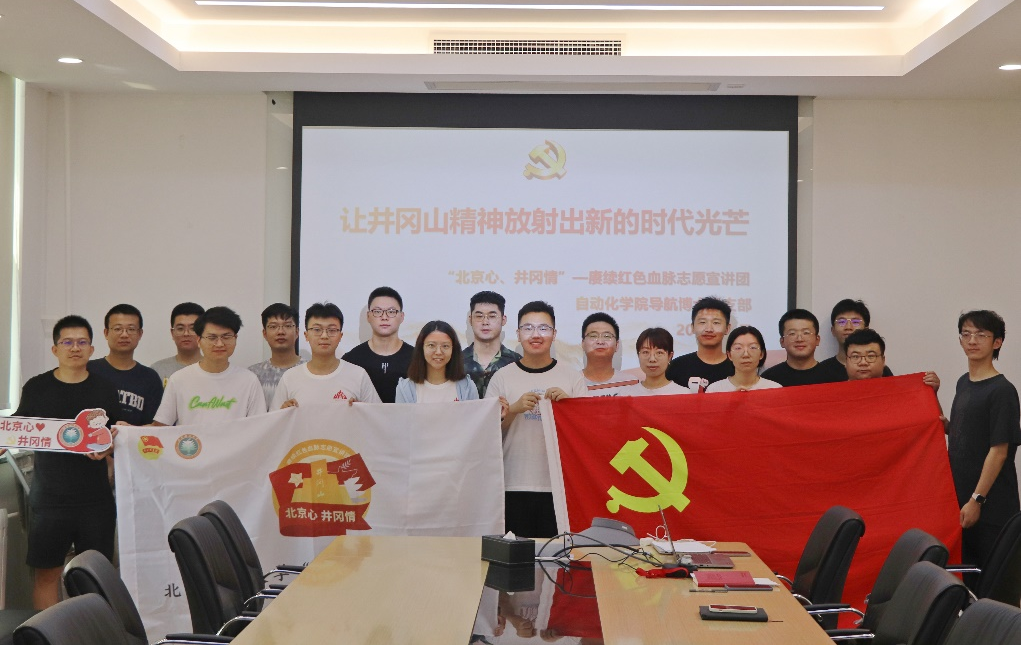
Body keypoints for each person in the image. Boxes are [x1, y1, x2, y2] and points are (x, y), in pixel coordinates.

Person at [14, 315, 120, 609]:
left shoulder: (104, 388)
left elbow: (115, 436)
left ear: (92, 348)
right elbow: (17, 428)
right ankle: (47, 632)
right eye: (68, 342)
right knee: (46, 576)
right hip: (49, 500)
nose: (75, 348)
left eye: (82, 342)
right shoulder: (37, 387)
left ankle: (92, 630)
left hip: (95, 500)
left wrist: (108, 448)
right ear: (55, 349)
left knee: (95, 577)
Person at [485, 301, 587, 538]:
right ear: (518, 333)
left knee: (556, 555)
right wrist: (514, 409)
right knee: (514, 556)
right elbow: (487, 434)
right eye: (528, 328)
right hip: (513, 483)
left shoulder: (572, 377)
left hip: (560, 485)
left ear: (554, 334)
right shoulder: (502, 377)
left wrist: (568, 408)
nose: (536, 335)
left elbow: (585, 434)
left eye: (543, 328)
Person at [945, 310, 1021, 585]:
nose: (972, 340)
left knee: (995, 585)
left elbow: (999, 451)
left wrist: (977, 500)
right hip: (961, 500)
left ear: (997, 342)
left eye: (981, 335)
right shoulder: (963, 382)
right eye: (966, 334)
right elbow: (966, 433)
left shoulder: (1002, 391)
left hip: (991, 505)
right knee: (967, 581)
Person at [151, 306, 265, 425]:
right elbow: (161, 426)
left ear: (235, 339)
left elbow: (258, 427)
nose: (219, 344)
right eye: (212, 337)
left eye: (226, 337)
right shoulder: (178, 379)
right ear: (199, 340)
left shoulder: (249, 380)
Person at [272, 302, 380, 408]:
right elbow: (273, 418)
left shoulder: (358, 375)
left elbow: (377, 416)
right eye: (317, 330)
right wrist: (283, 412)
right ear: (306, 335)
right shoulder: (289, 378)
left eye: (332, 330)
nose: (324, 336)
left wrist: (362, 411)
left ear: (340, 336)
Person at [87, 303, 163, 426]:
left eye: (131, 329)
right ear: (106, 333)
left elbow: (155, 425)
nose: (124, 335)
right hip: (92, 437)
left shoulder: (150, 378)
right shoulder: (88, 370)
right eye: (117, 329)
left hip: (134, 439)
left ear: (140, 334)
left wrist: (132, 431)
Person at [342, 286, 414, 403]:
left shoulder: (417, 359)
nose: (384, 317)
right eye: (377, 312)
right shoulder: (351, 360)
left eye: (391, 312)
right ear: (368, 316)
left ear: (402, 316)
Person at [395, 320, 479, 403]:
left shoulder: (467, 387)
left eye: (445, 346)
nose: (438, 352)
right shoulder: (406, 389)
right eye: (431, 345)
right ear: (421, 348)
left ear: (453, 349)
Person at [665, 296, 734, 392]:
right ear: (692, 327)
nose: (709, 329)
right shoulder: (676, 367)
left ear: (727, 328)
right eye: (702, 322)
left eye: (716, 323)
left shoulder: (737, 367)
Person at [760, 309, 843, 387]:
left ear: (817, 340)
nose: (799, 339)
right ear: (782, 341)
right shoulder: (768, 380)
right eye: (792, 333)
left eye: (806, 333)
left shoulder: (835, 379)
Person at [463, 291, 521, 398]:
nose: (485, 322)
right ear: (470, 320)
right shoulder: (456, 362)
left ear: (503, 320)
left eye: (492, 316)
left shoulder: (517, 363)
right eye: (479, 316)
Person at [842, 329, 941, 392]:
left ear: (883, 360)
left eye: (871, 356)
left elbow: (929, 417)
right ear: (846, 362)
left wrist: (930, 393)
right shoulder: (835, 397)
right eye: (856, 357)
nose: (863, 362)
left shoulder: (900, 393)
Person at [819, 299, 894, 380]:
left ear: (866, 329)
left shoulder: (881, 371)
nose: (848, 327)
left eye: (855, 322)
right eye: (841, 322)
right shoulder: (821, 371)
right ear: (833, 330)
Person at [249, 303, 307, 408]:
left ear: (297, 332)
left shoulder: (311, 370)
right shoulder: (253, 375)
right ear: (264, 333)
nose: (280, 332)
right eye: (273, 326)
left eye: (287, 326)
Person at [706, 325, 782, 392]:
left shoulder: (775, 389)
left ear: (761, 354)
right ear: (729, 355)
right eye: (738, 348)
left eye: (752, 347)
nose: (746, 354)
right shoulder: (714, 390)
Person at [624, 327, 692, 396]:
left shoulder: (683, 394)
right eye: (646, 352)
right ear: (638, 355)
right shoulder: (626, 394)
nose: (652, 359)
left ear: (669, 356)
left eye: (659, 352)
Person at [580, 312, 635, 396]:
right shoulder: (571, 383)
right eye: (593, 336)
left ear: (617, 345)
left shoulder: (631, 383)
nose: (600, 341)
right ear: (583, 344)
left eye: (607, 336)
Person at [151, 302, 205, 387]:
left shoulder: (214, 368)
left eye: (193, 328)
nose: (186, 334)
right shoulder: (157, 370)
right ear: (172, 333)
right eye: (180, 328)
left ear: (203, 332)